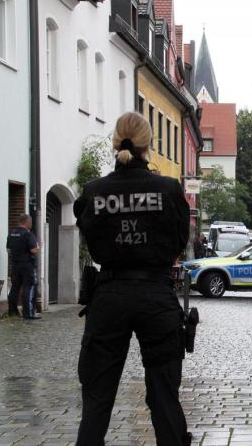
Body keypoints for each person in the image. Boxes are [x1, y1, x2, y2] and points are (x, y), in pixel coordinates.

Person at [73, 112, 192, 446]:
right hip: (156, 296)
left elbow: (87, 230)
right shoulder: (168, 189)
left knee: (97, 399)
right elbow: (180, 239)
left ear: (116, 142)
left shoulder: (94, 192)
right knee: (164, 396)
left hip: (109, 296)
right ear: (148, 144)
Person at [6, 214, 41, 319]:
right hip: (27, 265)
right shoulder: (28, 234)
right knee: (29, 287)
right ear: (27, 222)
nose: (31, 224)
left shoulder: (11, 234)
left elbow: (8, 250)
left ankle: (12, 312)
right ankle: (28, 313)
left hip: (15, 265)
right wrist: (38, 247)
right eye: (31, 222)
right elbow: (34, 250)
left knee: (14, 288)